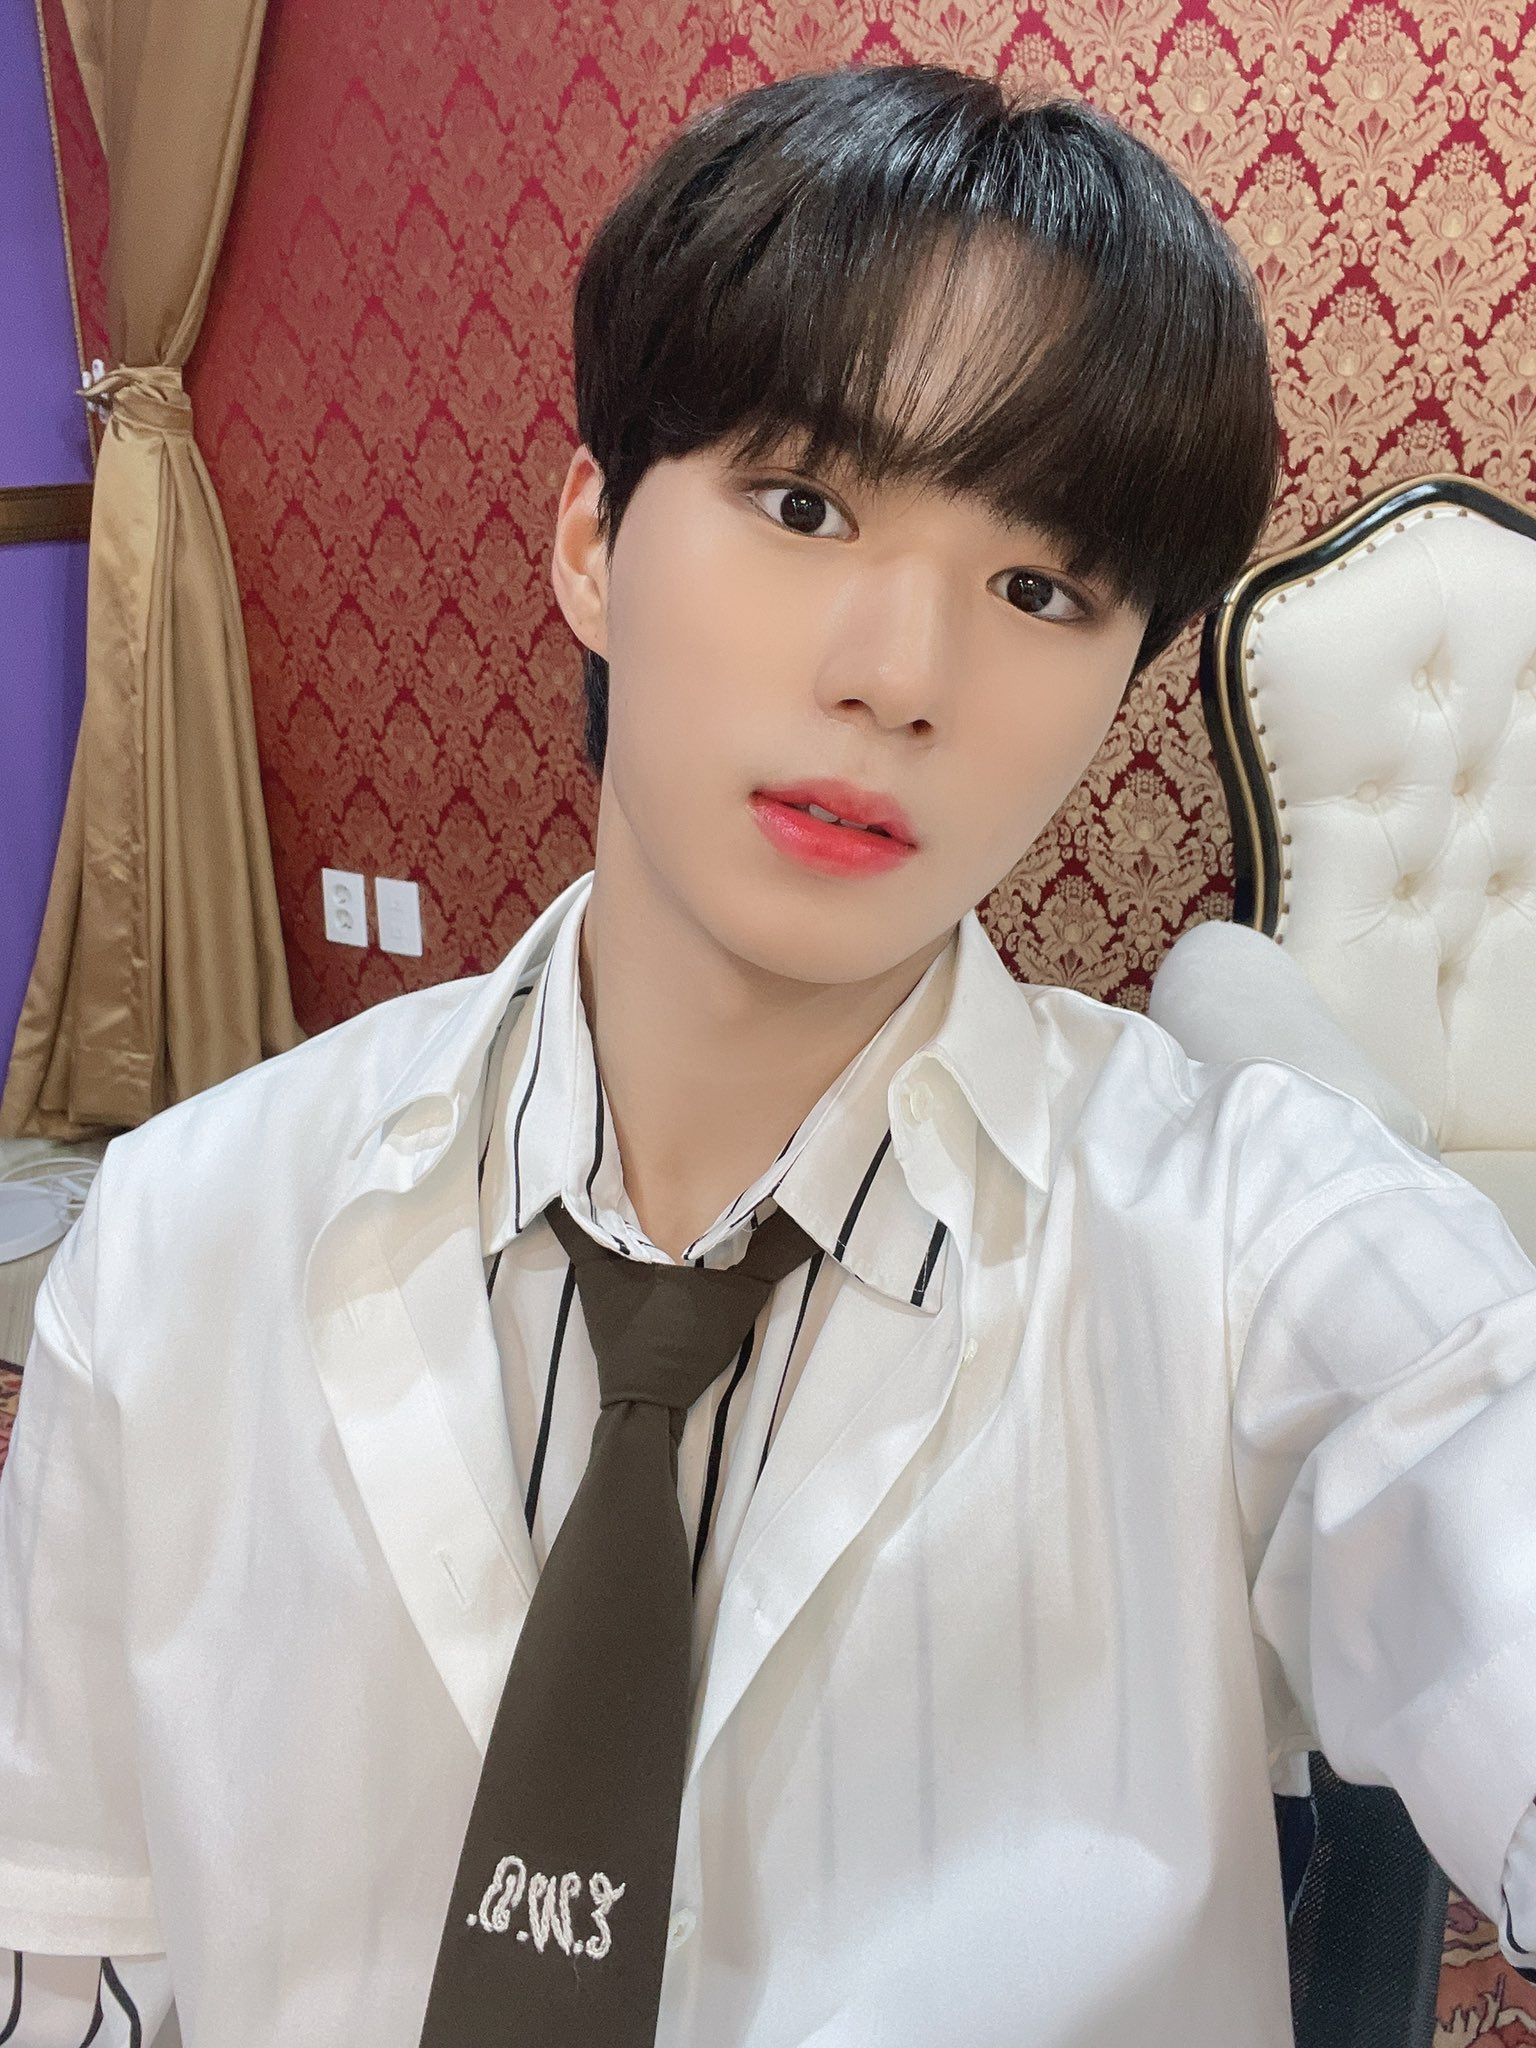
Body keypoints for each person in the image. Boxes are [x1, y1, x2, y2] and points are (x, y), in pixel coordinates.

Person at [2, 57, 1534, 2048]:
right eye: (803, 504)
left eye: (1038, 586)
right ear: (592, 539)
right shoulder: (175, 1239)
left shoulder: (1248, 1245)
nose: (898, 674)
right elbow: (77, 1946)